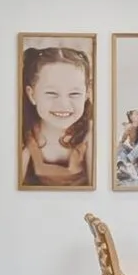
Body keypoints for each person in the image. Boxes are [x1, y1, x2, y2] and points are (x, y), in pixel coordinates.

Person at [19, 46, 93, 186]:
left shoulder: (90, 133)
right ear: (31, 94)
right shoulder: (27, 134)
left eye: (74, 94)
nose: (64, 104)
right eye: (51, 93)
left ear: (87, 94)